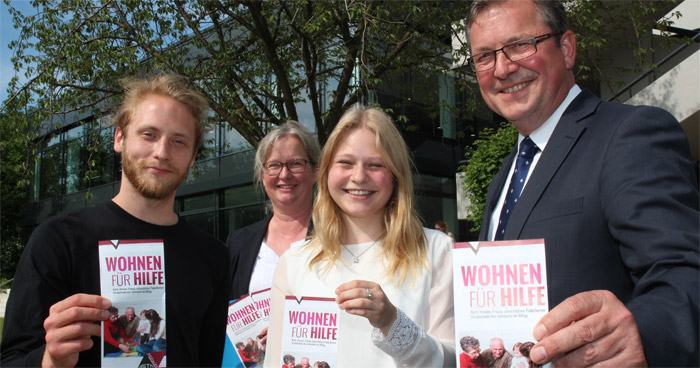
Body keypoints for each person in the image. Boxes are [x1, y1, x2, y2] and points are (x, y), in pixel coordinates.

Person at [465, 0, 699, 366]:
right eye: (484, 57)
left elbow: (684, 271)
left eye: (520, 45)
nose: (502, 68)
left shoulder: (628, 135)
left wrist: (644, 333)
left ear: (567, 48)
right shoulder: (503, 178)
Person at [0, 73, 231, 367]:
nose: (162, 152)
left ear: (193, 156)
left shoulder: (212, 257)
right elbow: (11, 360)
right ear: (120, 138)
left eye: (178, 141)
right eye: (149, 134)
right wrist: (49, 360)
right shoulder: (59, 241)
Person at [265, 107, 455, 367]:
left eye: (375, 165)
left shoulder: (436, 249)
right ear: (326, 171)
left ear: (396, 175)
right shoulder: (294, 263)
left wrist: (391, 322)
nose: (358, 176)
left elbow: (455, 359)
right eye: (346, 162)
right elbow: (275, 362)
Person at [226, 120, 320, 351]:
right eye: (274, 165)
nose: (284, 174)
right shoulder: (238, 243)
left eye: (296, 163)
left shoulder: (338, 238)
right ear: (262, 175)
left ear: (315, 171)